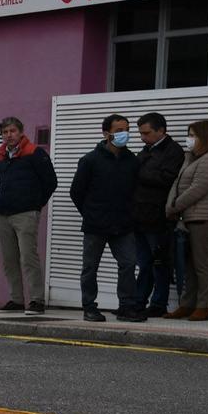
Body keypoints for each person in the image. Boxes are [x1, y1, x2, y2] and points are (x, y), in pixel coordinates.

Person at [70, 113, 141, 323]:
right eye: (119, 130)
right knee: (90, 267)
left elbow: (136, 190)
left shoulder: (132, 160)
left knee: (128, 263)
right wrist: (90, 213)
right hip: (96, 224)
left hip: (124, 223)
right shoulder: (90, 160)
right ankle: (89, 306)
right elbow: (76, 192)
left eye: (126, 130)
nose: (124, 134)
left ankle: (127, 306)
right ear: (106, 133)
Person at [163, 119, 208, 321]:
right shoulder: (191, 158)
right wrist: (171, 205)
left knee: (201, 263)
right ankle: (186, 304)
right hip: (188, 217)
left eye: (193, 135)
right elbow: (178, 182)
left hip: (203, 217)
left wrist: (175, 205)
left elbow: (198, 188)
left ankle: (204, 306)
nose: (189, 139)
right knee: (188, 265)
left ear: (205, 137)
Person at [0, 116, 56, 313]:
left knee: (28, 257)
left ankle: (36, 300)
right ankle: (16, 299)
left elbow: (50, 182)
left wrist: (36, 204)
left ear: (20, 132)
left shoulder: (35, 153)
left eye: (12, 131)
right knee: (9, 259)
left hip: (26, 213)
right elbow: (3, 181)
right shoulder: (1, 156)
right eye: (5, 132)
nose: (8, 135)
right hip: (3, 213)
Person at [131, 112, 185, 319]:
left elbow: (167, 178)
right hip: (139, 214)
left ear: (161, 130)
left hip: (158, 216)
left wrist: (139, 173)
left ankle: (158, 303)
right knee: (143, 263)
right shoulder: (146, 150)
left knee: (159, 263)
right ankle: (138, 301)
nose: (143, 137)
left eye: (146, 133)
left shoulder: (173, 151)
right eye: (141, 133)